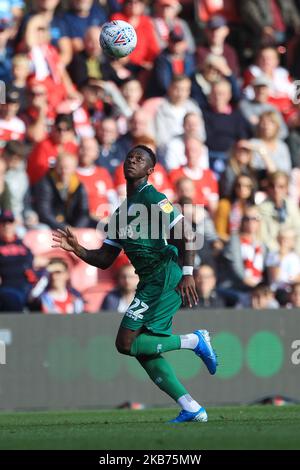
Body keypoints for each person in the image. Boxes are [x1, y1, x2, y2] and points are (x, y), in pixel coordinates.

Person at [52, 144, 218, 423]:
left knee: (126, 342)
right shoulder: (119, 213)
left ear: (150, 170)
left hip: (165, 277)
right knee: (138, 347)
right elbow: (105, 259)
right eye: (130, 157)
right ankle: (191, 408)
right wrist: (77, 249)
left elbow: (187, 232)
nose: (133, 160)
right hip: (149, 283)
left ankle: (194, 340)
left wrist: (188, 272)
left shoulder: (153, 197)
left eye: (140, 159)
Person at [203, 79, 251, 178]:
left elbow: (243, 138)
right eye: (215, 93)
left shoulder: (237, 116)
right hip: (208, 157)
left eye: (221, 94)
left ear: (229, 95)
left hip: (231, 159)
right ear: (210, 95)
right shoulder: (203, 114)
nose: (218, 97)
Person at [219, 205, 266, 306]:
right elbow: (236, 269)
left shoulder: (261, 244)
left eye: (254, 219)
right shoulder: (234, 240)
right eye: (246, 219)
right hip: (235, 287)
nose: (250, 222)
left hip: (256, 288)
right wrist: (256, 287)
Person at [33, 153, 90, 230]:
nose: (64, 171)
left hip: (72, 226)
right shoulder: (46, 183)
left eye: (67, 168)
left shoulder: (78, 186)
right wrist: (64, 227)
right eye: (61, 167)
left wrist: (77, 228)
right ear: (56, 166)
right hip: (51, 226)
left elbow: (84, 212)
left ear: (74, 168)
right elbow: (44, 213)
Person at [27, 113, 78, 185]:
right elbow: (39, 173)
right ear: (53, 128)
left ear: (72, 132)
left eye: (67, 129)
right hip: (43, 185)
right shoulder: (43, 146)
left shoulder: (73, 147)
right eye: (59, 129)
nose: (62, 133)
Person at [0, 210, 35, 312]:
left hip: (27, 287)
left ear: (14, 224)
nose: (7, 226)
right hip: (6, 288)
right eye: (3, 223)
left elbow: (31, 264)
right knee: (12, 299)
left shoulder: (23, 245)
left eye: (10, 222)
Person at [76, 138, 118, 224]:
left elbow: (113, 199)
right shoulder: (73, 175)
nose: (86, 152)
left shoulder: (103, 172)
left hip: (108, 221)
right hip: (86, 222)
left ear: (96, 153)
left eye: (90, 149)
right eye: (83, 148)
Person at [258, 172, 300, 255]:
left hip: (293, 255)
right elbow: (264, 238)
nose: (276, 190)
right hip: (271, 257)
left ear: (286, 188)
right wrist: (280, 253)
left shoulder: (293, 207)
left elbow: (298, 233)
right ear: (268, 188)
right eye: (272, 186)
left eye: (281, 187)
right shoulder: (261, 210)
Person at [154, 75, 203, 146]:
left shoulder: (194, 108)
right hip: (168, 151)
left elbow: (201, 134)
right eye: (176, 89)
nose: (180, 93)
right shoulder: (161, 108)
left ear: (188, 91)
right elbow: (160, 138)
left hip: (192, 150)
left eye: (183, 89)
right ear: (170, 88)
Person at [215, 173, 256, 242]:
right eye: (238, 185)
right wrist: (235, 242)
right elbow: (220, 233)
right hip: (229, 243)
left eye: (247, 186)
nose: (242, 188)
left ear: (251, 189)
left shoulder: (253, 209)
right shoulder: (225, 205)